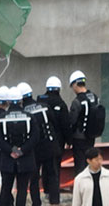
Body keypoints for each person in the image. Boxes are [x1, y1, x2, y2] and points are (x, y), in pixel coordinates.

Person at [0, 88, 40, 206]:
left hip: (7, 158)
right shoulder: (29, 117)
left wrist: (11, 150)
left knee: (6, 189)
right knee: (22, 189)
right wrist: (22, 150)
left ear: (8, 101)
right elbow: (35, 136)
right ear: (21, 100)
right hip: (25, 158)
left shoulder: (1, 118)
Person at [20, 82, 60, 206]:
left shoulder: (23, 112)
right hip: (49, 145)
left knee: (34, 178)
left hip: (34, 149)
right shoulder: (44, 106)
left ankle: (36, 202)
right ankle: (54, 201)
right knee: (53, 174)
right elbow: (54, 124)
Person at [39, 77, 71, 205]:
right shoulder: (61, 104)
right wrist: (69, 140)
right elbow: (65, 124)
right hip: (57, 143)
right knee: (54, 169)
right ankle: (54, 197)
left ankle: (45, 191)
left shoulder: (39, 101)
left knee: (44, 168)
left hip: (40, 142)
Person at [69, 71, 105, 177]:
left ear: (75, 84)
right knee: (90, 163)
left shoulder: (77, 101)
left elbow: (72, 121)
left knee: (80, 165)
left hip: (79, 138)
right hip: (92, 136)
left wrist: (69, 138)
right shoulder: (95, 97)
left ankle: (82, 188)